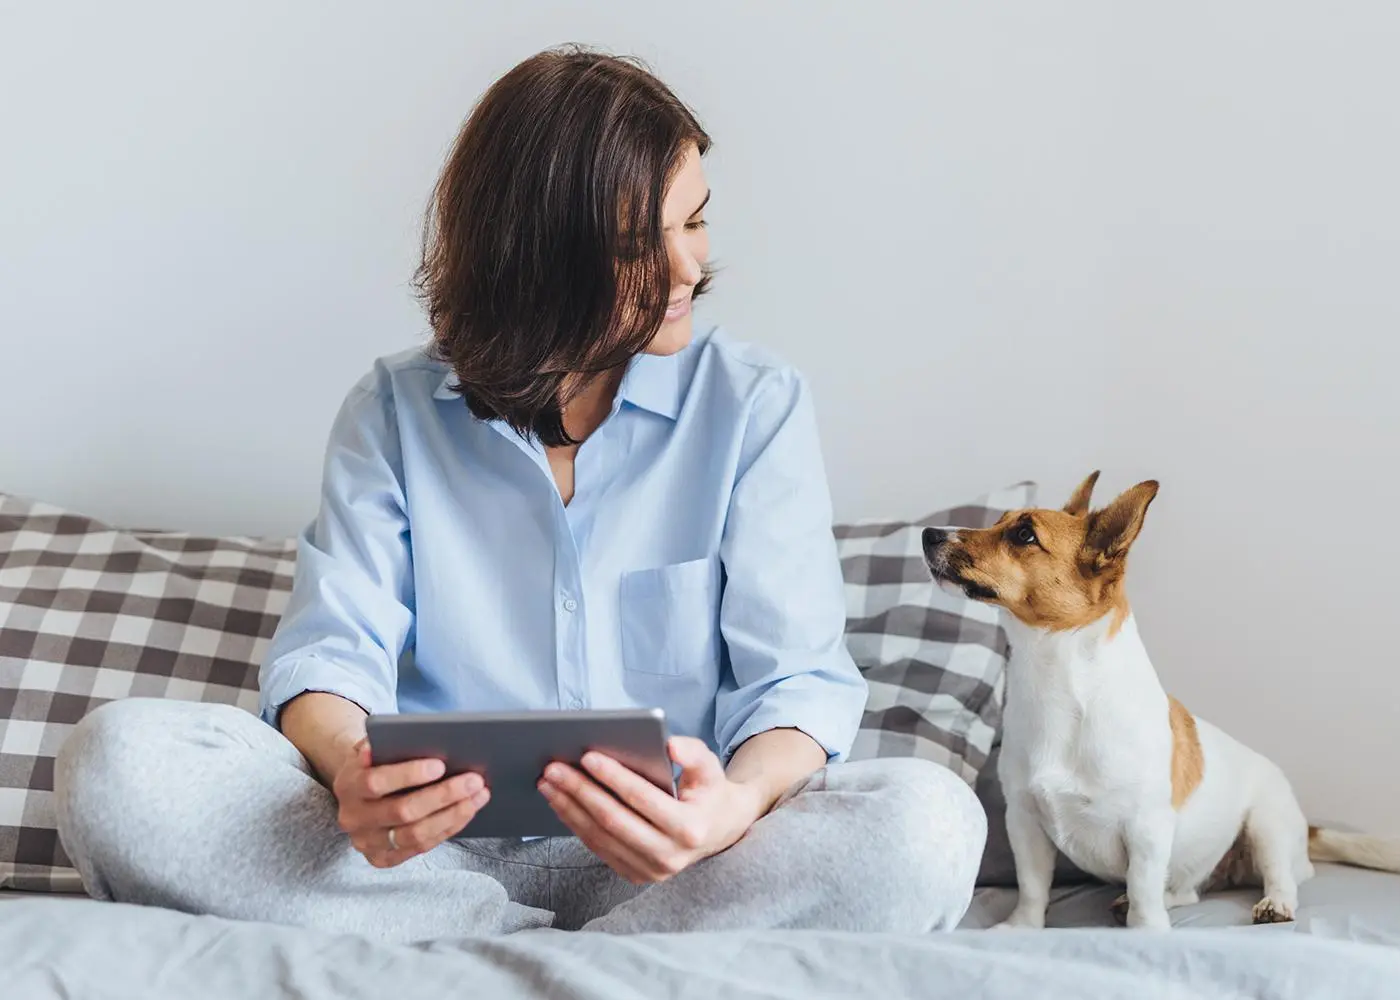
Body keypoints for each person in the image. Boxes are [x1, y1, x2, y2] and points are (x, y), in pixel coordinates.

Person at [52, 45, 986, 941]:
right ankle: (561, 956)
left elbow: (798, 681)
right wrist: (354, 772)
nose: (689, 268)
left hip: (679, 870)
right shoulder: (392, 413)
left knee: (930, 825)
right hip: (417, 864)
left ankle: (481, 960)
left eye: (694, 220)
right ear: (532, 256)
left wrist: (730, 808)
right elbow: (330, 657)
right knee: (117, 765)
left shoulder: (753, 406)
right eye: (636, 243)